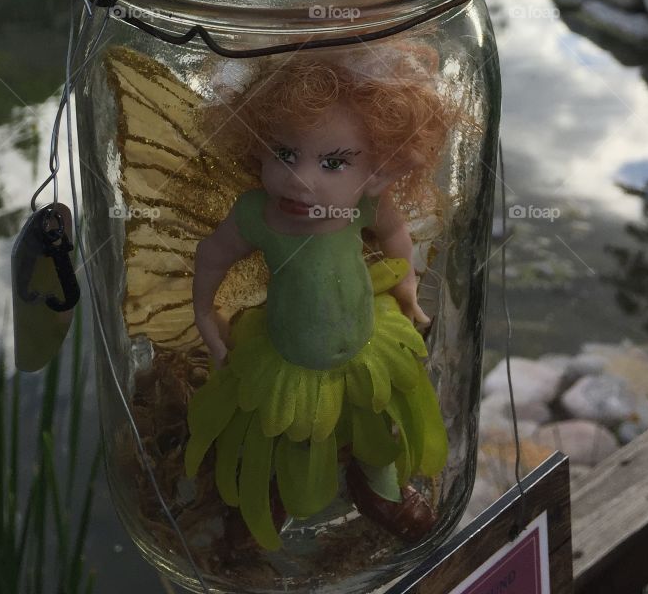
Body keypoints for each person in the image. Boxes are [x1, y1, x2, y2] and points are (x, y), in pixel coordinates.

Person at [184, 44, 452, 550]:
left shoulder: (364, 207)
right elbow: (212, 255)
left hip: (364, 342)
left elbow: (396, 236)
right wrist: (204, 312)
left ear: (378, 170)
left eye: (333, 163)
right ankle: (267, 494)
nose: (299, 180)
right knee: (280, 427)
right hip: (287, 356)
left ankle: (377, 486)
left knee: (377, 414)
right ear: (257, 145)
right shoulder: (259, 215)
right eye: (284, 154)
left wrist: (407, 286)